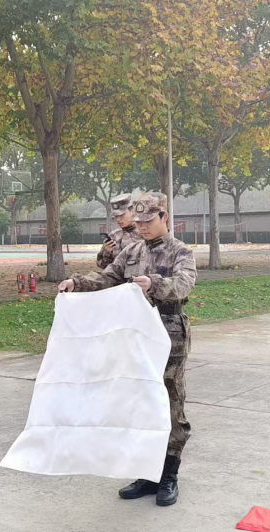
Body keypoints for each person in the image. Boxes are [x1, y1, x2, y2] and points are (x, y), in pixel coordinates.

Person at [59, 192, 196, 507]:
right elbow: (107, 278)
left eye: (149, 220)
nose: (143, 226)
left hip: (168, 333)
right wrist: (76, 283)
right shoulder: (131, 250)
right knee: (139, 403)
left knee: (169, 402)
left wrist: (155, 284)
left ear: (164, 217)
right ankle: (148, 473)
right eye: (139, 221)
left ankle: (169, 475)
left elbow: (185, 284)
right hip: (134, 334)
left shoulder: (180, 251)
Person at [96, 193, 142, 269]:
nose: (118, 219)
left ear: (132, 211)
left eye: (122, 215)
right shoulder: (113, 236)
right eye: (116, 216)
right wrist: (106, 252)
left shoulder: (145, 233)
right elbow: (102, 265)